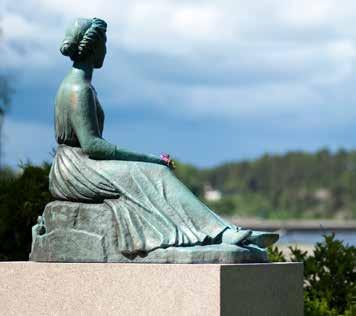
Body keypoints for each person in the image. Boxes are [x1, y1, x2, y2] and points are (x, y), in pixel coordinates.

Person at [50, 17, 278, 255]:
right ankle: (216, 234)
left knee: (155, 173)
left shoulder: (81, 84)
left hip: (80, 163)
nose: (106, 50)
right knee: (156, 172)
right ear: (94, 47)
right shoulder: (79, 89)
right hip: (75, 169)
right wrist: (150, 158)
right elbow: (92, 146)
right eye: (104, 44)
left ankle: (222, 230)